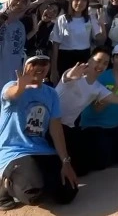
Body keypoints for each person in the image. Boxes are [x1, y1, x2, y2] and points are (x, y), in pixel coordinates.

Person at [54, 46, 118, 175]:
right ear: (89, 60)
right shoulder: (76, 76)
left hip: (69, 128)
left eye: (104, 63)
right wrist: (71, 75)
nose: (101, 65)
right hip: (54, 124)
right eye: (98, 60)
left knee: (83, 169)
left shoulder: (98, 88)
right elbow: (68, 77)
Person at [0, 55, 78, 211]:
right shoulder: (12, 86)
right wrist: (21, 87)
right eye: (34, 63)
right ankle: (3, 187)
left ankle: (30, 180)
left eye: (44, 63)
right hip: (16, 152)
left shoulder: (51, 94)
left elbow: (56, 129)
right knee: (32, 193)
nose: (39, 66)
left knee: (68, 192)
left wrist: (65, 162)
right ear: (25, 66)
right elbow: (11, 95)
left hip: (42, 151)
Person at [80, 44, 118, 171]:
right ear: (112, 60)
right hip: (94, 125)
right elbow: (96, 109)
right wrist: (115, 89)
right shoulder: (100, 78)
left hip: (117, 125)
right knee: (100, 162)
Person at [0, 0, 30, 89]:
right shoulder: (1, 18)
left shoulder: (20, 25)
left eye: (24, 2)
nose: (19, 3)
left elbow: (18, 51)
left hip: (11, 74)